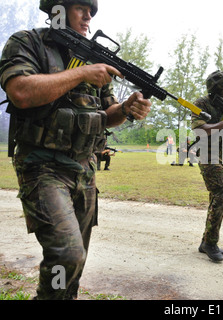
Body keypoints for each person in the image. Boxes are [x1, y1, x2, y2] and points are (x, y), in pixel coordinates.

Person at [0, 0, 151, 299]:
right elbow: (21, 91)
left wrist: (127, 108)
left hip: (84, 170)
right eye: (81, 8)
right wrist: (82, 73)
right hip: (42, 166)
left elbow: (108, 115)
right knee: (67, 254)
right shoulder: (28, 42)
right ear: (58, 9)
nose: (88, 16)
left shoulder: (92, 58)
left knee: (75, 262)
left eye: (91, 11)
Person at [191, 70, 223, 262]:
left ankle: (207, 241)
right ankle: (211, 244)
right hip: (208, 156)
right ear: (215, 88)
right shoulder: (201, 103)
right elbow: (199, 129)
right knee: (222, 197)